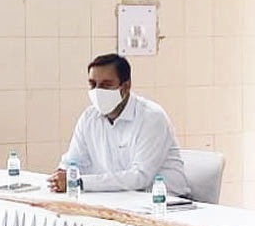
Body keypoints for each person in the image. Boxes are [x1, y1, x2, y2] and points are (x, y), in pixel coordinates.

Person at [48, 54, 190, 196]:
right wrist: (61, 175)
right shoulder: (89, 117)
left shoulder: (151, 117)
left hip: (165, 202)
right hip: (117, 198)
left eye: (106, 85)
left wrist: (79, 182)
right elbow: (73, 162)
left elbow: (140, 177)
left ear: (126, 87)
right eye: (93, 84)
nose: (97, 91)